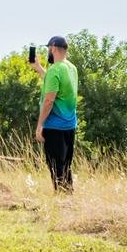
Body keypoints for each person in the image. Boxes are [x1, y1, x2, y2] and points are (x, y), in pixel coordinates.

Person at [33, 35, 79, 192]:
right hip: (70, 126)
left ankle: (61, 198)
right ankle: (68, 197)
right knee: (65, 165)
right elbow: (55, 82)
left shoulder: (54, 70)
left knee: (55, 166)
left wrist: (40, 125)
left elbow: (49, 101)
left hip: (54, 127)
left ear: (52, 48)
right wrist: (39, 68)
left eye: (48, 49)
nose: (48, 51)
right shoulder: (71, 68)